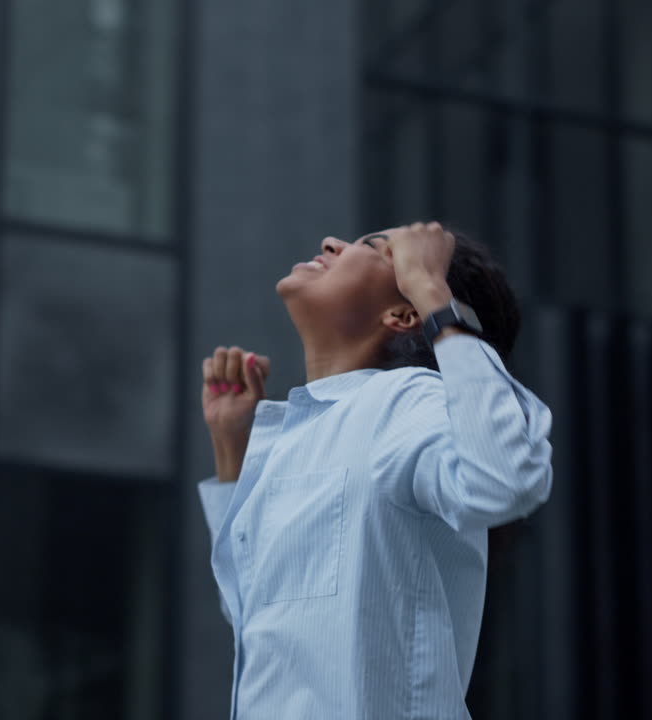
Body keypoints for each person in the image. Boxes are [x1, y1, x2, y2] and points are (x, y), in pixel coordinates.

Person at [197, 221, 554, 719]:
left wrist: (434, 292)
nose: (329, 242)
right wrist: (232, 448)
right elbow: (257, 614)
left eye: (375, 249)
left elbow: (505, 476)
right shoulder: (306, 433)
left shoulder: (405, 401)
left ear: (404, 312)